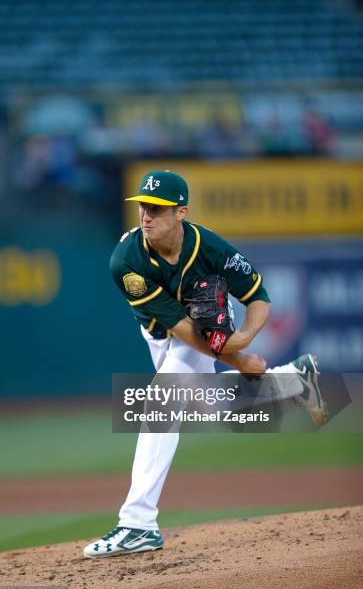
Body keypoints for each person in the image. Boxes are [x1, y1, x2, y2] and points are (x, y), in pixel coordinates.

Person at [83, 170, 326, 558]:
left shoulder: (211, 247)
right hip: (168, 333)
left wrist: (242, 339)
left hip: (206, 327)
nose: (146, 215)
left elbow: (258, 296)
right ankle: (296, 381)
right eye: (143, 206)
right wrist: (238, 357)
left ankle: (138, 523)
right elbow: (178, 328)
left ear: (181, 212)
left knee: (160, 403)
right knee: (209, 404)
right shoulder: (125, 260)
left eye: (158, 209)